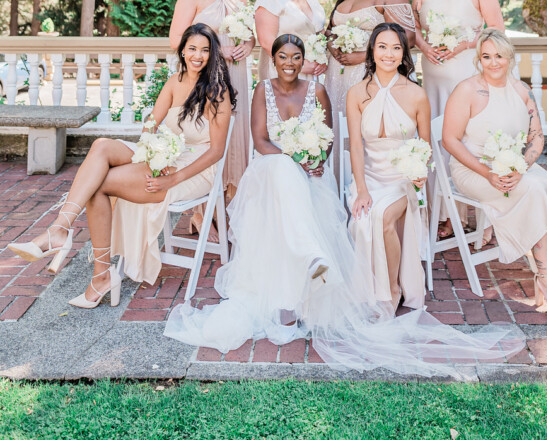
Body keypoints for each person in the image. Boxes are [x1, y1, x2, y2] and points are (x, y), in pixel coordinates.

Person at [165, 33, 524, 373]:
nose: (289, 62)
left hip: (311, 177)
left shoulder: (318, 90)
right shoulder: (262, 89)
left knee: (291, 177)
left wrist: (315, 158)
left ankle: (310, 264)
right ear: (272, 60)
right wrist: (293, 160)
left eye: (296, 57)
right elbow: (260, 141)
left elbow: (329, 141)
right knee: (278, 166)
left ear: (305, 60)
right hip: (271, 173)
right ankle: (313, 258)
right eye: (282, 57)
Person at [9, 24, 233, 307]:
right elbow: (151, 122)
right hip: (166, 156)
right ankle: (61, 228)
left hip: (195, 168)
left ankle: (95, 269)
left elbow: (216, 152)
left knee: (97, 184)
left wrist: (171, 179)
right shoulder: (174, 82)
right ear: (182, 50)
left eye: (205, 50)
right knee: (101, 145)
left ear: (212, 54)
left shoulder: (218, 92)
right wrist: (152, 150)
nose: (198, 56)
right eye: (192, 49)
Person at [442, 28, 547, 325]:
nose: (493, 63)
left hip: (516, 170)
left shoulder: (522, 91)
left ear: (510, 57)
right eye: (486, 56)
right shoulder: (466, 90)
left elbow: (536, 139)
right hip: (474, 171)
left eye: (499, 56)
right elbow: (450, 140)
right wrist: (489, 172)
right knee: (537, 194)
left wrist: (521, 167)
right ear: (479, 59)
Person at [347, 24, 431, 311]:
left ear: (403, 54)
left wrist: (419, 173)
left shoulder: (417, 94)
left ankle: (392, 289)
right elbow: (356, 147)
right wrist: (361, 189)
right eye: (382, 46)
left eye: (396, 47)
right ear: (372, 50)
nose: (389, 53)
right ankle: (369, 290)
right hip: (369, 177)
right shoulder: (356, 93)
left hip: (403, 179)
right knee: (362, 218)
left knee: (382, 217)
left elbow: (425, 148)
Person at [170, 0, 253, 202]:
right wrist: (218, 50)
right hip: (206, 72)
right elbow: (176, 40)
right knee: (207, 134)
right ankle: (201, 211)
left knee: (235, 133)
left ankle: (230, 204)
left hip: (237, 71)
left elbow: (249, 33)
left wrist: (248, 45)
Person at [325, 0, 415, 177]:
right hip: (338, 77)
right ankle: (341, 193)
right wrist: (332, 46)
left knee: (367, 131)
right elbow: (330, 31)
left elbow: (408, 37)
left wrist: (365, 55)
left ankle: (369, 191)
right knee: (342, 132)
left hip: (368, 74)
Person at [413, 0, 505, 121]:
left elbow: (497, 29)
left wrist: (464, 45)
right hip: (432, 73)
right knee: (434, 124)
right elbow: (413, 25)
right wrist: (424, 47)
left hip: (465, 70)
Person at [254, 0, 326, 82]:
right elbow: (266, 42)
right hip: (284, 73)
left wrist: (322, 59)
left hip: (313, 72)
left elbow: (320, 32)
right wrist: (299, 65)